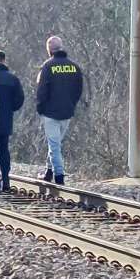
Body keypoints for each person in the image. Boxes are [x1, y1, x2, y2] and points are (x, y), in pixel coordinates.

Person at [36, 36, 83, 185]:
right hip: (67, 112)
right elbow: (78, 90)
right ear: (61, 47)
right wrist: (71, 104)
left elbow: (42, 91)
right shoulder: (74, 67)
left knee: (54, 145)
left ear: (49, 50)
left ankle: (59, 176)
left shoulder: (47, 66)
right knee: (55, 144)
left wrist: (40, 107)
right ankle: (49, 172)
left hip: (50, 113)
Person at [0, 49, 24, 194]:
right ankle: (6, 180)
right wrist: (9, 109)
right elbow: (19, 100)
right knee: (3, 149)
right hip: (6, 119)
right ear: (4, 60)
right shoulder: (13, 79)